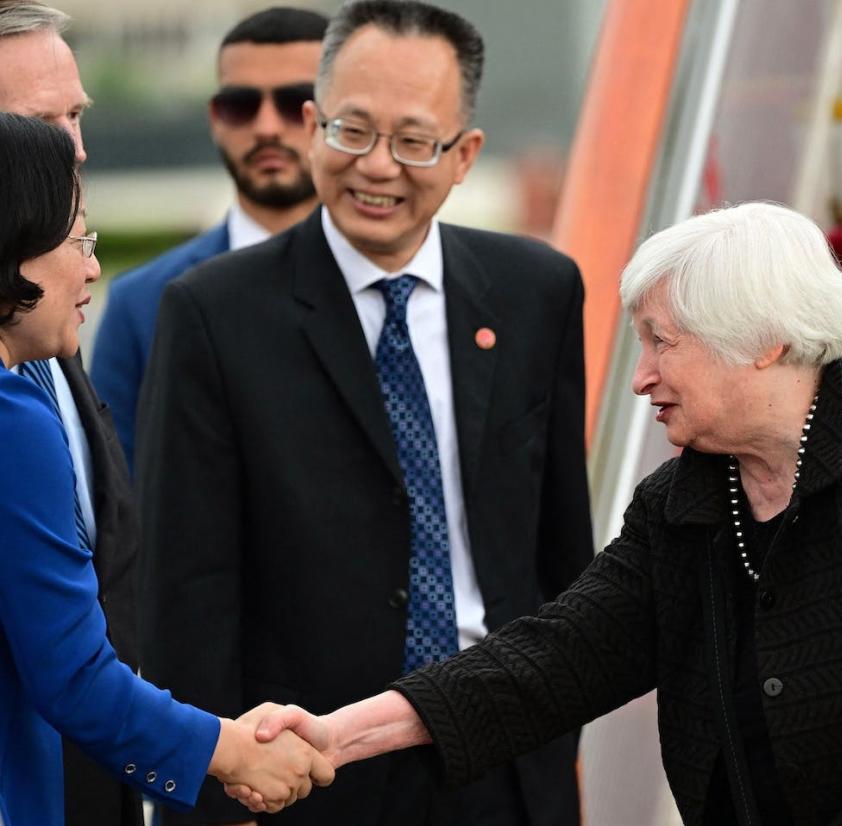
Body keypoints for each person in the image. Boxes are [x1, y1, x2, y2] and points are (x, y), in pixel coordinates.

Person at [236, 202, 842, 825]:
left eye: (664, 341)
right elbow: (553, 662)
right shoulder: (686, 500)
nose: (641, 376)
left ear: (762, 339)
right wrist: (337, 734)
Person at [137, 1, 593, 824]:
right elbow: (187, 591)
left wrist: (555, 745)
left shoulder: (538, 293)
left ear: (464, 156)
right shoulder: (214, 315)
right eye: (352, 131)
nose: (377, 167)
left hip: (503, 762)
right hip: (307, 772)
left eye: (414, 141)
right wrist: (208, 799)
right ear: (313, 126)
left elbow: (564, 561)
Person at [0, 112, 335, 826]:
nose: (91, 266)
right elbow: (74, 676)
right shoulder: (13, 414)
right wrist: (235, 752)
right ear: (15, 243)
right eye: (76, 237)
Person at [0, 4, 143, 823]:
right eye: (40, 124)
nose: (75, 147)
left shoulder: (42, 302)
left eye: (76, 116)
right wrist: (218, 754)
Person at [91, 6, 327, 471]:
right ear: (215, 117)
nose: (266, 127)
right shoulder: (141, 305)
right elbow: (122, 502)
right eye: (241, 104)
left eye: (295, 102)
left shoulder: (392, 283)